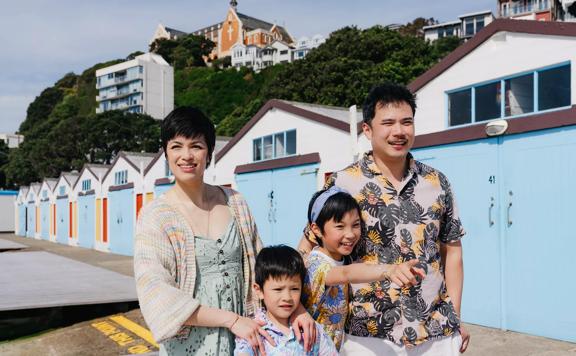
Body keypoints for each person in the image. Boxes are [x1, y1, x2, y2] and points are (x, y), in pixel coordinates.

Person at [298, 83, 470, 355]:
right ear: (367, 129)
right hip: (366, 333)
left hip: (434, 331)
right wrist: (297, 308)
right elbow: (309, 245)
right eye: (388, 123)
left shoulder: (437, 182)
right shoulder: (343, 182)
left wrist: (455, 316)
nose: (399, 131)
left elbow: (453, 252)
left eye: (407, 122)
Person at [134, 107, 315, 356]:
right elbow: (155, 290)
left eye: (196, 146)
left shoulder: (235, 202)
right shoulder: (156, 216)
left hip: (246, 338)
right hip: (191, 345)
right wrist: (229, 320)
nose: (186, 155)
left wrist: (298, 309)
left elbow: (267, 271)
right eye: (176, 146)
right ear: (166, 153)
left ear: (209, 153)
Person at [302, 187, 425, 351]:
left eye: (355, 225)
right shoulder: (316, 263)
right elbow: (347, 273)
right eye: (340, 226)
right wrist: (389, 270)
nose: (350, 234)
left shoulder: (341, 258)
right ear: (316, 229)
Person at [234, 245, 338, 356]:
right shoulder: (252, 331)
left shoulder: (312, 329)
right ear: (259, 290)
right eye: (278, 289)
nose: (287, 297)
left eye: (294, 289)